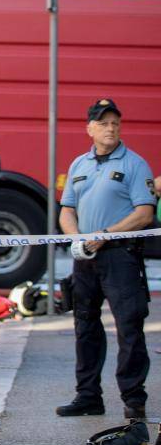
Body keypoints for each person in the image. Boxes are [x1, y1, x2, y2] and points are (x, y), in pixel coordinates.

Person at [54, 98, 157, 420]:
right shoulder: (79, 165)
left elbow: (144, 213)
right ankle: (87, 396)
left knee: (129, 327)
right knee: (85, 326)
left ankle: (133, 399)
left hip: (119, 255)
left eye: (115, 123)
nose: (110, 128)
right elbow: (66, 210)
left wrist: (104, 235)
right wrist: (77, 239)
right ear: (90, 129)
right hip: (86, 258)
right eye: (103, 123)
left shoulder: (134, 164)